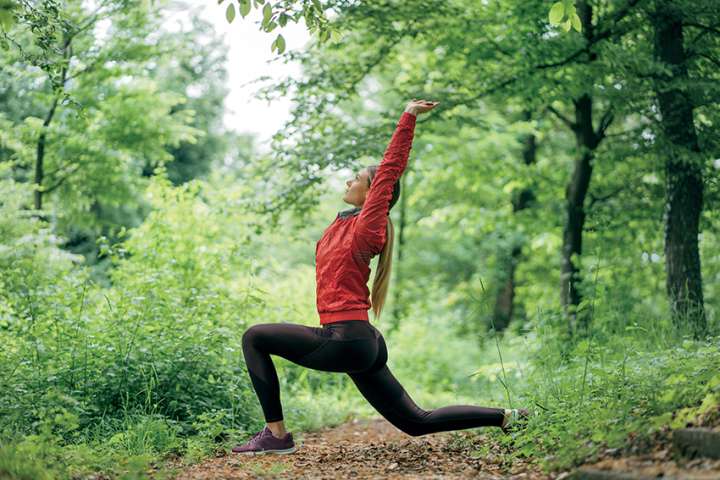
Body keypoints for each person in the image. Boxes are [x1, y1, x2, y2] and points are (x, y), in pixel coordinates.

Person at [232, 99, 528, 455]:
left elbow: (389, 169)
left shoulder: (366, 227)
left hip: (347, 339)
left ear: (373, 194)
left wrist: (408, 116)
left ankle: (276, 435)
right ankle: (510, 417)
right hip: (360, 342)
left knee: (254, 337)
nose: (348, 179)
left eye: (356, 178)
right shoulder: (343, 225)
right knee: (417, 421)